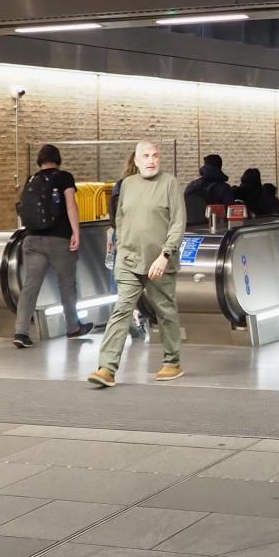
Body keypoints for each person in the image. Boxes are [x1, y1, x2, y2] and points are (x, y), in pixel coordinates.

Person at [89, 140, 186, 387]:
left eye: (155, 155)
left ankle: (172, 362)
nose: (151, 160)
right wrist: (121, 251)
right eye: (146, 156)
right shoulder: (127, 185)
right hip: (129, 260)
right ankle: (106, 368)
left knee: (165, 310)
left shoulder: (169, 184)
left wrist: (165, 255)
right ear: (136, 160)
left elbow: (177, 223)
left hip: (159, 262)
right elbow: (120, 220)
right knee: (121, 309)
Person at [13, 144, 90, 348]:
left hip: (32, 239)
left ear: (40, 160)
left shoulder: (31, 180)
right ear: (58, 159)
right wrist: (76, 231)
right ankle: (73, 327)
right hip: (59, 239)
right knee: (66, 284)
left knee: (30, 286)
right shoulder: (64, 177)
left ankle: (20, 332)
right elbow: (71, 204)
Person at [184, 154, 236, 225]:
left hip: (190, 228)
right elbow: (230, 213)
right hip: (215, 228)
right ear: (219, 167)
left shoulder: (191, 185)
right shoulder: (224, 188)